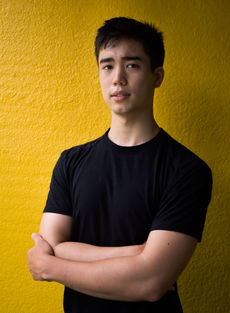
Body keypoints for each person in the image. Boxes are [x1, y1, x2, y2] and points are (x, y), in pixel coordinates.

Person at [27, 17, 212, 313]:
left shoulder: (187, 170)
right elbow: (51, 243)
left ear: (157, 76)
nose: (117, 79)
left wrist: (52, 267)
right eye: (108, 65)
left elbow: (150, 284)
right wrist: (137, 255)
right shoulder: (71, 161)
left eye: (132, 65)